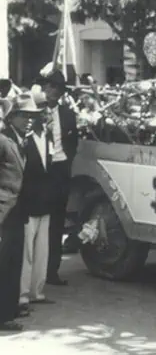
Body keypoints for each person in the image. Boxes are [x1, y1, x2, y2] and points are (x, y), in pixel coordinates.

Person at [4, 91, 52, 311]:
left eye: (33, 115)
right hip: (15, 207)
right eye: (24, 115)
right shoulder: (9, 139)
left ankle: (25, 298)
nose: (30, 120)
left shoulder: (40, 137)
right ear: (12, 116)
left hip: (35, 204)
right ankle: (16, 301)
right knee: (17, 258)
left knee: (28, 255)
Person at [37, 68, 78, 286]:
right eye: (49, 86)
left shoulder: (68, 114)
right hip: (42, 172)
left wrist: (65, 161)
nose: (52, 91)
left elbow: (73, 143)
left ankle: (52, 270)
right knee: (37, 222)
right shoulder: (35, 112)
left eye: (57, 88)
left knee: (56, 222)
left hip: (60, 170)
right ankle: (34, 272)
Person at [0, 97, 26, 331]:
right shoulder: (2, 141)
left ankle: (8, 311)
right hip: (4, 211)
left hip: (15, 211)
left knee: (12, 263)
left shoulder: (12, 140)